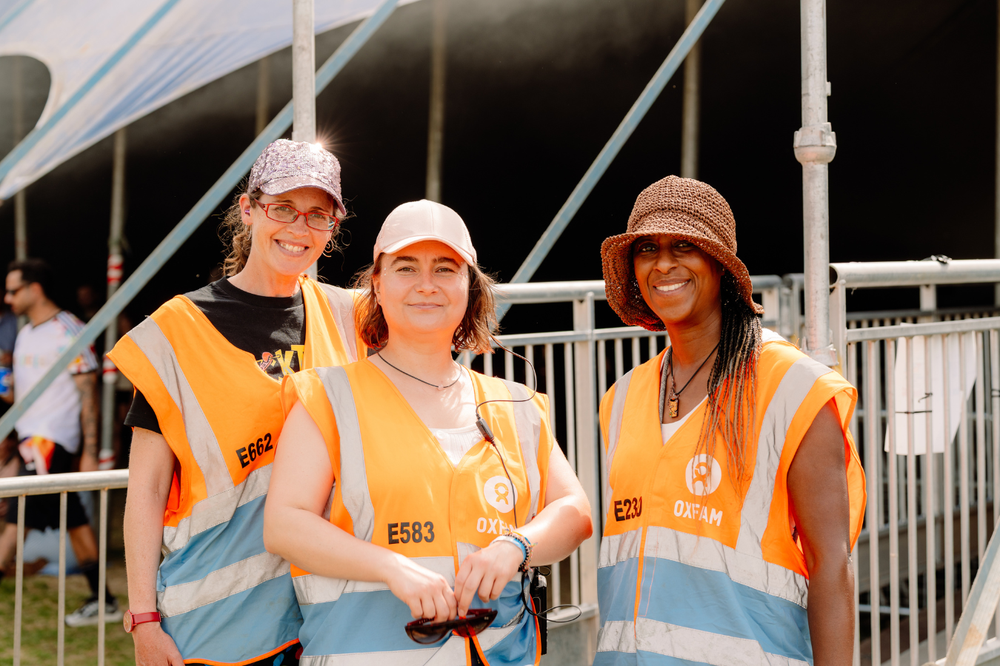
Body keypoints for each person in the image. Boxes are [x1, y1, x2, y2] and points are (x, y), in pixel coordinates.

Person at [263, 200, 594, 665]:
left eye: (445, 268)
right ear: (376, 285)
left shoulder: (515, 405)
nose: (426, 285)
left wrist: (514, 546)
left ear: (469, 287)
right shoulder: (328, 397)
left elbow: (575, 512)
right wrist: (391, 567)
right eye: (406, 267)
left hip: (500, 655)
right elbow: (284, 525)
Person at [107, 140, 363, 666]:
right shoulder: (176, 332)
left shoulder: (348, 316)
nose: (299, 228)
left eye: (318, 214)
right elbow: (148, 489)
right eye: (283, 209)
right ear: (249, 210)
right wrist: (142, 619)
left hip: (327, 615)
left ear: (333, 227)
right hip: (218, 626)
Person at [594, 176, 866, 665]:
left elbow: (832, 567)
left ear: (720, 266)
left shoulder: (793, 388)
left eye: (684, 246)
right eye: (647, 249)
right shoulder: (622, 398)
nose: (663, 264)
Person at [0, 258, 121, 626]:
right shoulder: (26, 334)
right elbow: (19, 395)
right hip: (30, 441)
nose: (7, 298)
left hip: (51, 443)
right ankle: (104, 599)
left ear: (35, 289)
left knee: (17, 519)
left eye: (13, 289)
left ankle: (104, 600)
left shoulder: (70, 329)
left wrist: (88, 450)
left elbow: (89, 392)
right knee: (71, 520)